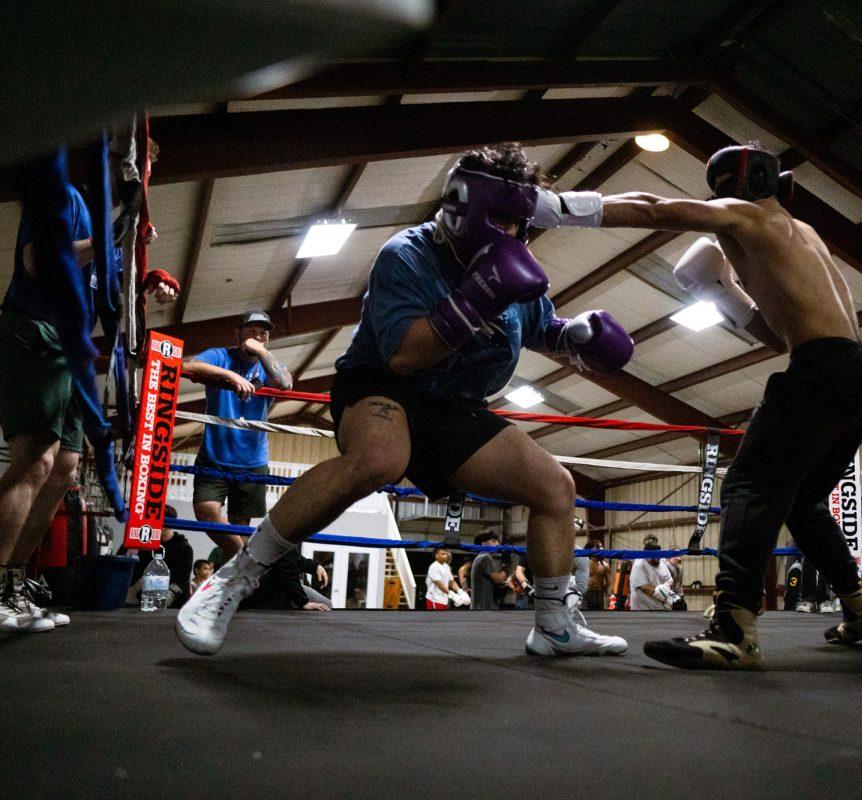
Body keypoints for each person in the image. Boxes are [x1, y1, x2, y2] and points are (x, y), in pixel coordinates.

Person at [177, 144, 632, 657]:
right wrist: (476, 296)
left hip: (454, 404)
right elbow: (406, 356)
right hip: (382, 382)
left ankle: (554, 624)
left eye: (520, 219)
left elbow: (534, 325)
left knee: (554, 486)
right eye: (504, 218)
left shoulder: (508, 262)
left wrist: (574, 338)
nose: (516, 232)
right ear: (468, 207)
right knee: (379, 460)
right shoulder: (408, 254)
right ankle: (233, 579)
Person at [533, 143, 862, 667]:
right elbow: (785, 337)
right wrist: (732, 299)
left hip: (823, 370)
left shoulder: (745, 215)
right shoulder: (802, 234)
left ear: (732, 186)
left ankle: (734, 628)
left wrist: (554, 207)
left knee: (749, 484)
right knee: (800, 499)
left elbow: (656, 208)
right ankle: (860, 608)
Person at [0, 178, 175, 633]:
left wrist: (149, 279)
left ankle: (14, 583)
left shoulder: (111, 237)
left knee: (65, 470)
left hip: (73, 350)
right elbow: (37, 261)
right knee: (36, 460)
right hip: (34, 329)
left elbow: (106, 291)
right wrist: (112, 238)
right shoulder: (62, 197)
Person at [185, 310, 293, 562]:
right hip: (214, 456)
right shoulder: (220, 356)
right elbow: (186, 365)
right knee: (206, 511)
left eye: (263, 335)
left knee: (240, 529)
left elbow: (285, 383)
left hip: (252, 461)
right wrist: (230, 376)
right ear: (238, 334)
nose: (258, 338)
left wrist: (262, 351)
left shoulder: (268, 365)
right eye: (252, 332)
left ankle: (241, 582)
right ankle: (249, 563)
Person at [119, 507, 194, 609]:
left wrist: (169, 595)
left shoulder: (183, 547)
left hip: (173, 606)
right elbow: (120, 562)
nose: (154, 526)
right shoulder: (142, 539)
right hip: (139, 602)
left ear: (168, 525)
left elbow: (182, 580)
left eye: (158, 523)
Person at [241, 549, 332, 612]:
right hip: (261, 589)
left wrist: (315, 567)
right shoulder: (279, 531)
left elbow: (292, 558)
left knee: (326, 604)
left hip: (274, 583)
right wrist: (303, 602)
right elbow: (287, 564)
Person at [630, 543, 680, 611]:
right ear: (647, 555)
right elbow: (645, 587)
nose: (658, 557)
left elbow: (670, 580)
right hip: (643, 611)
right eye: (656, 555)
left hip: (661, 610)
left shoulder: (661, 561)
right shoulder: (639, 564)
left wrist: (665, 587)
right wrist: (667, 598)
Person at [469, 530, 510, 610]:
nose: (497, 544)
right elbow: (499, 580)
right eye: (493, 541)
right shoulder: (485, 557)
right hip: (484, 607)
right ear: (484, 544)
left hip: (480, 606)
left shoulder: (480, 557)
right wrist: (506, 564)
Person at [584, 535, 609, 611]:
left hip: (599, 594)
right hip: (585, 594)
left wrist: (610, 597)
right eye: (598, 547)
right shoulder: (583, 563)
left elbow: (609, 583)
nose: (601, 548)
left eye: (601, 546)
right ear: (591, 549)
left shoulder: (605, 565)